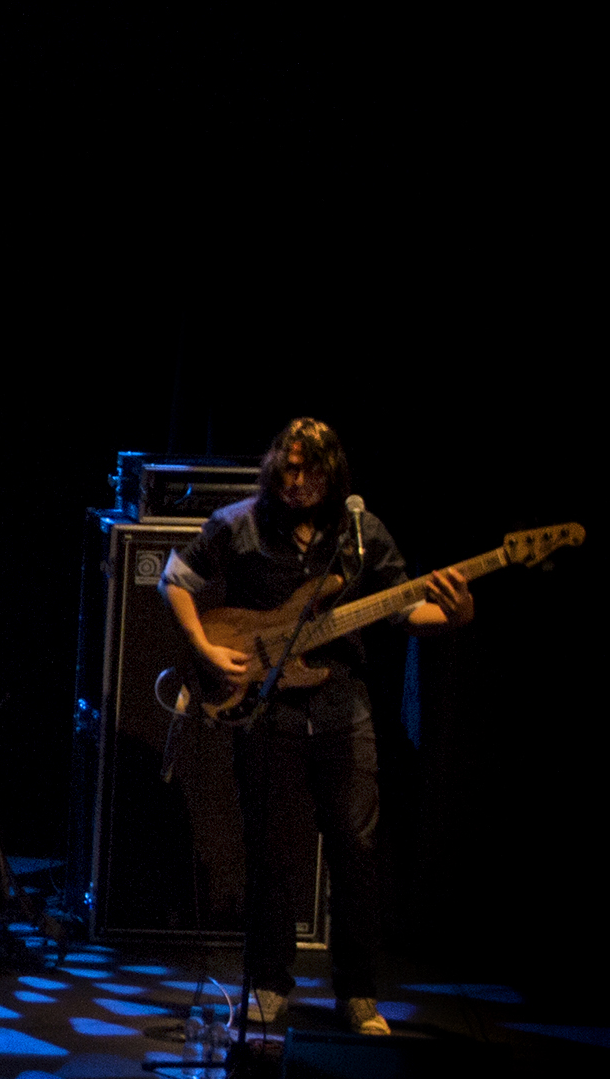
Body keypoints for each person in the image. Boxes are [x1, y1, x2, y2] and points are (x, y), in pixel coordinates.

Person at [161, 417, 469, 1036]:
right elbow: (175, 578)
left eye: (310, 471)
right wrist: (204, 647)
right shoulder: (239, 523)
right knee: (271, 853)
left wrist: (456, 615)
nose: (297, 481)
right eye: (288, 468)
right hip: (266, 704)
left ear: (334, 475)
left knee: (356, 851)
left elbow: (407, 610)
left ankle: (358, 994)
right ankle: (268, 984)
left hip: (342, 704)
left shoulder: (360, 532)